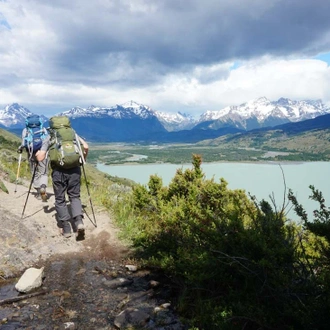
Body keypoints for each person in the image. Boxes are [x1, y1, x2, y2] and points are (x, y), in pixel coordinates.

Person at [35, 116, 89, 241]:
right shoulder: (72, 134)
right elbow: (85, 147)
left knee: (60, 199)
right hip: (75, 170)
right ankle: (79, 222)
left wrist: (38, 154)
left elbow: (40, 158)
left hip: (58, 172)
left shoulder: (51, 136)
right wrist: (82, 160)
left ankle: (66, 228)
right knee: (75, 196)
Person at [17, 115, 49, 202]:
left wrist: (20, 148)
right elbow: (47, 141)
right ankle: (43, 187)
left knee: (34, 171)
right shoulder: (43, 129)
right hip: (42, 153)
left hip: (31, 153)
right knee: (44, 172)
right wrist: (43, 151)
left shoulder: (26, 130)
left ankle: (38, 191)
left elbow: (24, 143)